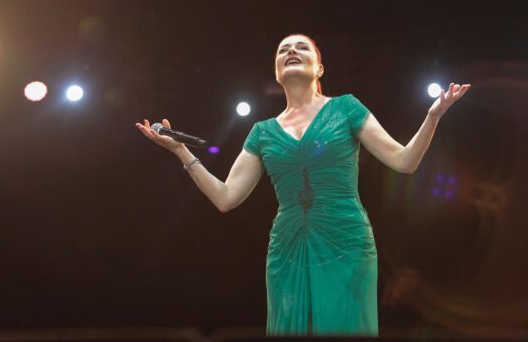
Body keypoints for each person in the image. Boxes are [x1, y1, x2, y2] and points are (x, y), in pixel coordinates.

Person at [136, 34, 471, 336]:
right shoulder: (262, 132)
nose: (291, 51)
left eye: (301, 47)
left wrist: (433, 117)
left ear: (319, 68)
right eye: (283, 49)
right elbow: (226, 197)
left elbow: (404, 161)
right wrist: (181, 151)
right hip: (288, 246)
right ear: (276, 72)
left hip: (346, 241)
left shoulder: (346, 108)